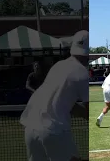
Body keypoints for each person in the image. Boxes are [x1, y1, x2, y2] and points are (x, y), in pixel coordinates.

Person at [20, 30, 89, 161]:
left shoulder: (58, 66)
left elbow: (68, 104)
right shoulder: (82, 74)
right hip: (54, 130)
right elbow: (88, 111)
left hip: (30, 128)